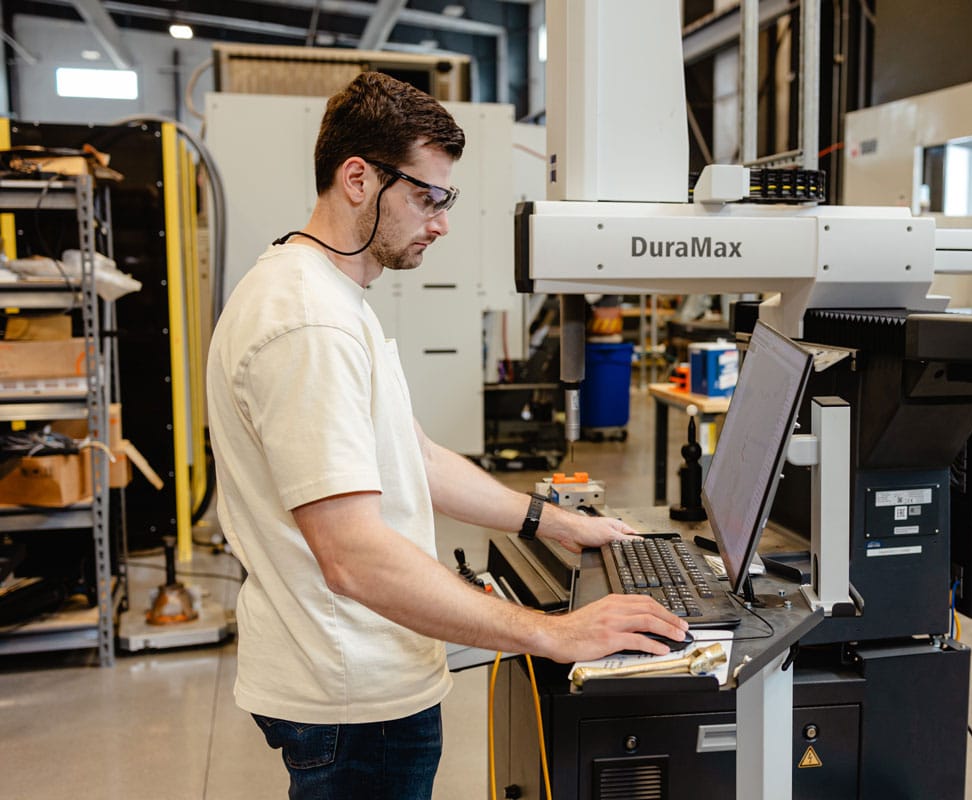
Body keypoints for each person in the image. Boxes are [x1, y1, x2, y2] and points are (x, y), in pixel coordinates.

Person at [206, 72, 687, 799]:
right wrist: (549, 632)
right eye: (428, 198)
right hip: (353, 697)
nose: (441, 222)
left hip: (367, 673)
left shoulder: (331, 296)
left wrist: (554, 521)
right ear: (358, 178)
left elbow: (413, 456)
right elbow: (354, 557)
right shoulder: (307, 320)